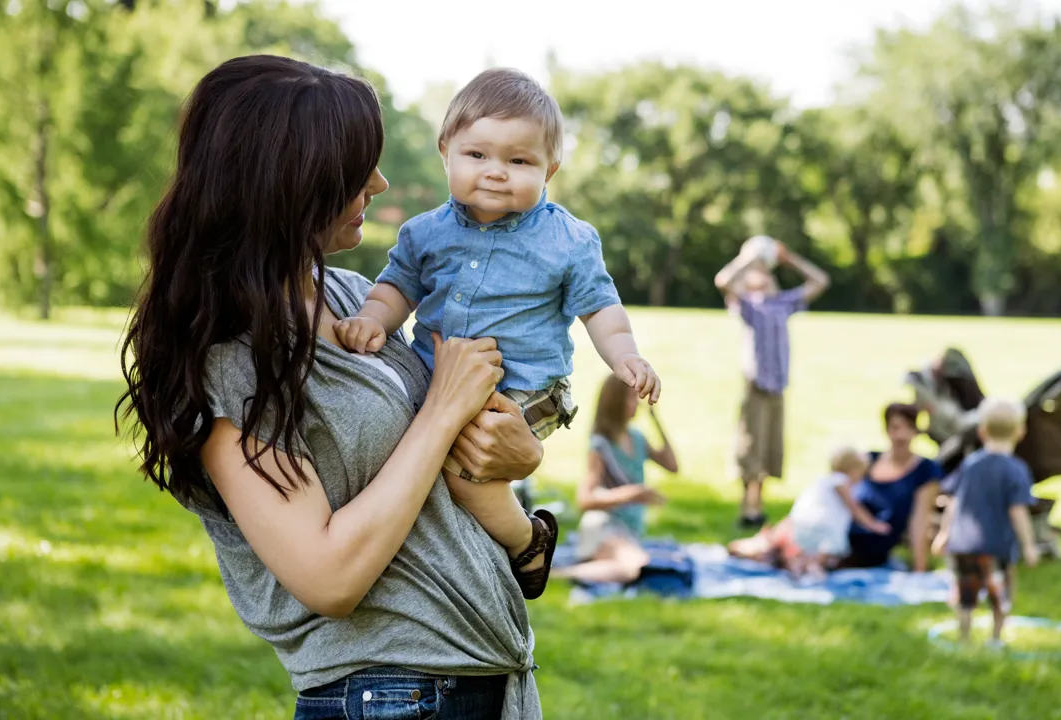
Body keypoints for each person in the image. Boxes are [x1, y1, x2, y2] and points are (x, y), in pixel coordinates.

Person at [115, 56, 551, 719]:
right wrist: (441, 413)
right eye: (354, 171)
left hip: (478, 688)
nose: (378, 183)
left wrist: (517, 460)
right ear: (288, 185)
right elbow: (328, 576)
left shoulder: (353, 299)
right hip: (393, 699)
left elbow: (439, 464)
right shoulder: (229, 362)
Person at [334, 68, 661, 554]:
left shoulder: (567, 241)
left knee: (462, 467)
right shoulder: (424, 233)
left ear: (550, 170)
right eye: (477, 155)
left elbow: (600, 309)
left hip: (524, 388)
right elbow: (396, 288)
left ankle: (525, 544)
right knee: (408, 449)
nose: (495, 171)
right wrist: (371, 319)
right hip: (438, 380)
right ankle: (437, 545)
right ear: (445, 151)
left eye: (519, 160)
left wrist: (626, 357)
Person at [714, 236, 831, 528]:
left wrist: (789, 260)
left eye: (765, 271)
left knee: (770, 447)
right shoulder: (748, 305)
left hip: (778, 386)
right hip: (755, 385)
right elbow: (723, 280)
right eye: (757, 272)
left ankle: (758, 504)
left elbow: (820, 281)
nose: (762, 275)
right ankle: (747, 506)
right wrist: (747, 258)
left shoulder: (783, 303)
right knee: (749, 446)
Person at [932, 397, 1040, 646]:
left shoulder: (970, 463)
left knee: (965, 594)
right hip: (996, 546)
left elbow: (954, 502)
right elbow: (1018, 511)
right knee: (999, 593)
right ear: (1021, 432)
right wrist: (1029, 545)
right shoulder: (1016, 469)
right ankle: (995, 639)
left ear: (981, 431)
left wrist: (944, 534)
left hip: (962, 544)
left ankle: (964, 637)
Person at [557, 374, 679, 585]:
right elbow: (585, 499)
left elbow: (672, 466)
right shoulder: (600, 445)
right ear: (616, 402)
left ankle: (574, 572)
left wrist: (655, 419)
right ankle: (558, 575)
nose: (637, 403)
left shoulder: (637, 439)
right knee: (636, 566)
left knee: (635, 566)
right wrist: (632, 494)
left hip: (627, 532)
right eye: (631, 397)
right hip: (603, 527)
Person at [727, 446, 890, 579]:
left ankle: (802, 567)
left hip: (801, 523)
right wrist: (873, 524)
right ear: (853, 470)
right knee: (824, 553)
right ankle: (813, 570)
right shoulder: (841, 481)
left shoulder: (825, 480)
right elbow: (853, 507)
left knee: (808, 552)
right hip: (821, 526)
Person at [841, 403, 944, 571]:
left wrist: (919, 568)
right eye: (895, 428)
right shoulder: (868, 460)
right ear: (887, 430)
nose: (901, 435)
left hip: (878, 551)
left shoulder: (925, 470)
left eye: (908, 427)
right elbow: (838, 492)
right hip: (842, 542)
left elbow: (920, 520)